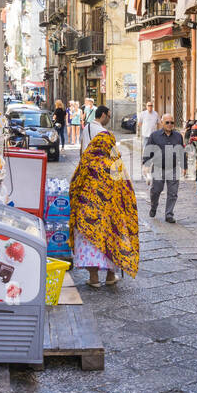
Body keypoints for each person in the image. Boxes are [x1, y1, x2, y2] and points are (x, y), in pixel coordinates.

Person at [69, 105, 139, 288]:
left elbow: (78, 171)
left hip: (88, 200)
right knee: (111, 233)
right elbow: (122, 177)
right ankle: (110, 276)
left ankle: (93, 278)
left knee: (88, 234)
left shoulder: (87, 156)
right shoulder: (112, 156)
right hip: (109, 204)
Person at [143, 113, 187, 223]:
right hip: (158, 168)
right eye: (167, 122)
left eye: (172, 122)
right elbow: (148, 150)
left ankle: (169, 214)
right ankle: (153, 207)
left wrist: (184, 166)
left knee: (173, 193)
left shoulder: (178, 136)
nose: (169, 124)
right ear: (162, 122)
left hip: (173, 168)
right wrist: (146, 164)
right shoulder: (154, 135)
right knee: (156, 191)